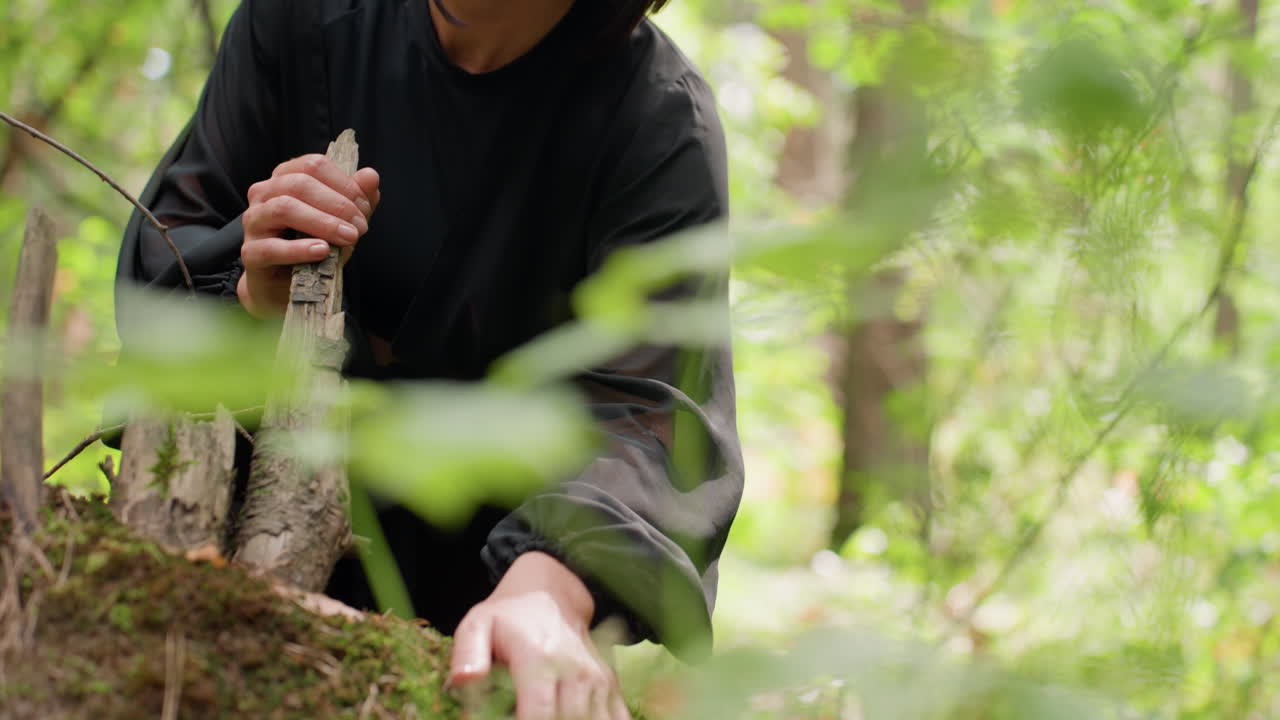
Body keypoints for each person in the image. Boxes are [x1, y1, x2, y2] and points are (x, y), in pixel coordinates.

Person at [115, 0, 743, 718]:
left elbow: (652, 412)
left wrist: (549, 591)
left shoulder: (658, 119)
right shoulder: (297, 21)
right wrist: (258, 294)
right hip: (231, 567)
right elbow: (164, 270)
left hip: (472, 628)